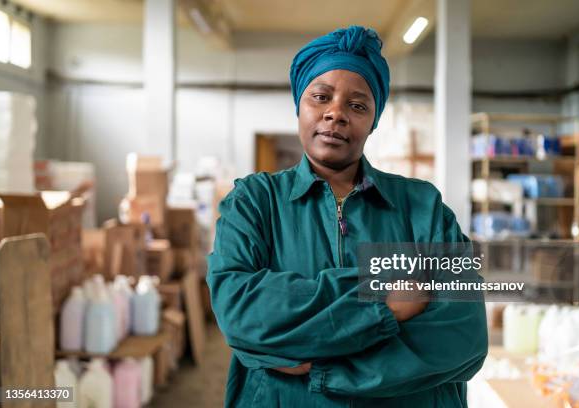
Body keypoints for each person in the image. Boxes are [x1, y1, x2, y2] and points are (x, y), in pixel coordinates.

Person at [207, 25, 488, 408]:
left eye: (357, 106)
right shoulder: (254, 202)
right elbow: (241, 311)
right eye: (320, 97)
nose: (335, 114)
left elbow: (463, 334)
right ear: (299, 106)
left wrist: (327, 370)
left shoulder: (423, 207)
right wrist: (382, 301)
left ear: (372, 121)